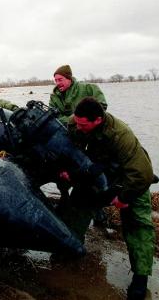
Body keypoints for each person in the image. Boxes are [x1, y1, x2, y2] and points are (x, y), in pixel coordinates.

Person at [60, 97, 155, 300]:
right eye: (76, 122)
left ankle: (141, 277)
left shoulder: (120, 134)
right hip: (97, 172)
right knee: (76, 207)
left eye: (83, 125)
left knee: (138, 224)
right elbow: (69, 148)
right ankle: (70, 248)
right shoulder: (75, 122)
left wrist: (123, 197)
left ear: (98, 120)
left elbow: (142, 174)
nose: (78, 127)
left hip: (130, 178)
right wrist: (71, 172)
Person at [49, 64, 109, 226]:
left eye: (60, 79)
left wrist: (75, 119)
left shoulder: (88, 89)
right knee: (63, 171)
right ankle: (65, 198)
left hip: (90, 136)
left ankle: (98, 208)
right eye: (55, 80)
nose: (57, 83)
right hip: (68, 139)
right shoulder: (55, 97)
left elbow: (101, 107)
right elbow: (52, 118)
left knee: (91, 171)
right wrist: (70, 121)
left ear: (69, 78)